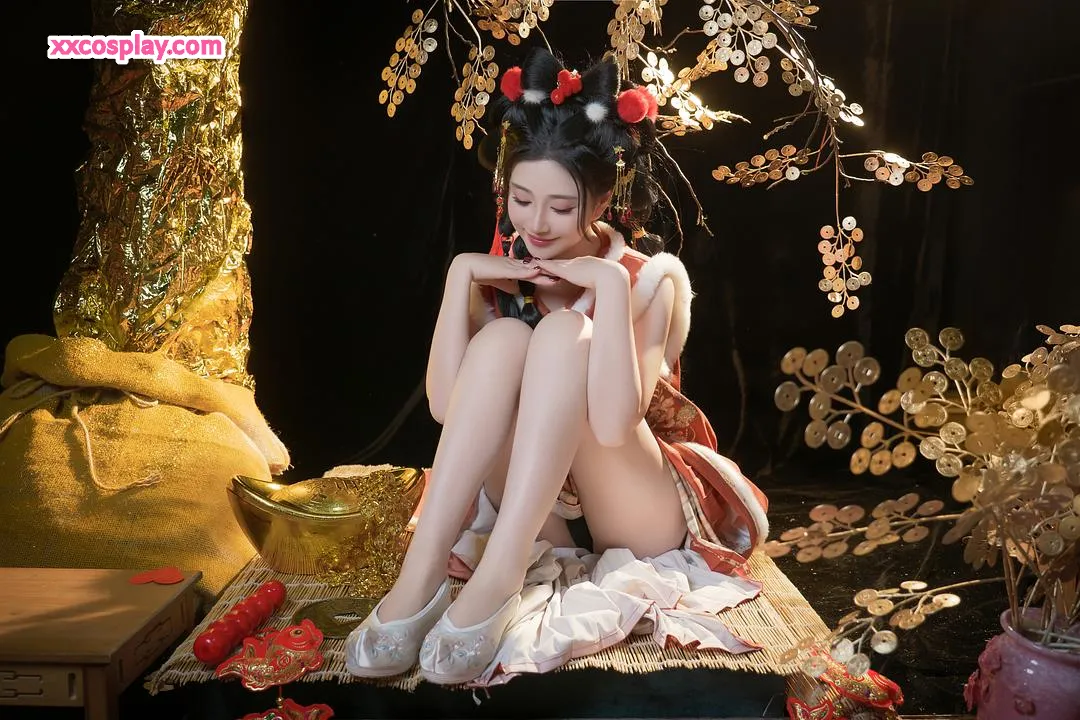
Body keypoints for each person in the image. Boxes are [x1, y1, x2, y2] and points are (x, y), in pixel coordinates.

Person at [345, 46, 769, 686]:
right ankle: (420, 574)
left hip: (625, 502)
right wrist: (461, 276)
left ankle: (502, 573)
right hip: (539, 508)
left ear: (602, 200)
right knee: (502, 340)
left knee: (566, 331)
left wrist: (609, 288)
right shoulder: (502, 271)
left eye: (561, 208)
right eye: (521, 199)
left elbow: (614, 423)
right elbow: (446, 407)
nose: (536, 224)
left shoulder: (647, 279)